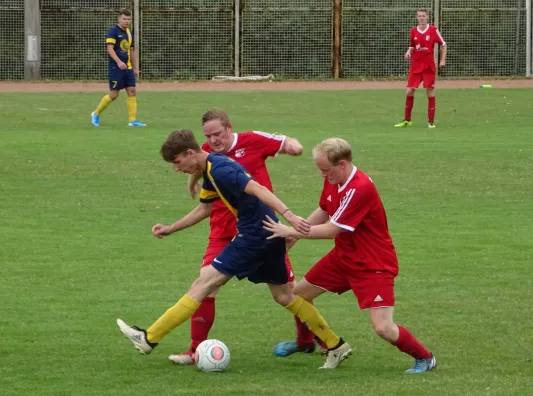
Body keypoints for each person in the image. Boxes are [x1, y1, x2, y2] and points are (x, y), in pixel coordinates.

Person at [116, 129, 352, 370]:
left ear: (190, 153)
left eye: (177, 162)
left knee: (204, 283)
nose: (176, 168)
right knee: (284, 296)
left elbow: (259, 189)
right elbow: (205, 209)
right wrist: (171, 228)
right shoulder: (210, 168)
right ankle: (335, 345)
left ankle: (148, 338)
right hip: (268, 234)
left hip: (254, 236)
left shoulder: (220, 169)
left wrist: (290, 216)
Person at [263, 137, 437, 374]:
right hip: (344, 257)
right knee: (299, 295)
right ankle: (306, 343)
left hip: (373, 263)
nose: (323, 175)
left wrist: (292, 230)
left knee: (383, 327)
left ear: (342, 164)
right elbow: (324, 209)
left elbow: (333, 230)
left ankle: (425, 358)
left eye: (326, 170)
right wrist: (295, 235)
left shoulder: (360, 188)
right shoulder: (334, 179)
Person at [162, 109, 317, 364]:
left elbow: (285, 143)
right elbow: (198, 164)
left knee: (287, 292)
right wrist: (191, 182)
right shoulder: (203, 151)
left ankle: (309, 341)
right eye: (208, 136)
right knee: (204, 286)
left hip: (261, 230)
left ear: (229, 128)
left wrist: (293, 146)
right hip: (223, 231)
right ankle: (195, 350)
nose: (213, 141)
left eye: (217, 134)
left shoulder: (253, 140)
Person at [91, 9, 146, 128]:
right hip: (116, 68)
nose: (126, 21)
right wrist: (119, 62)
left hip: (128, 68)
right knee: (114, 94)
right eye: (124, 19)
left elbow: (131, 51)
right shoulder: (113, 31)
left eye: (128, 19)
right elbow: (109, 49)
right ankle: (96, 113)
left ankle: (133, 120)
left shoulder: (129, 33)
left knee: (132, 91)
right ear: (119, 19)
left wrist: (135, 68)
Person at [395, 8, 447, 129]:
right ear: (417, 17)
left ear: (427, 17)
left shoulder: (433, 30)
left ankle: (431, 122)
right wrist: (409, 51)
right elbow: (412, 45)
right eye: (419, 16)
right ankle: (407, 120)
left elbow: (444, 45)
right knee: (409, 91)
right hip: (416, 66)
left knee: (430, 91)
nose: (421, 18)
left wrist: (442, 60)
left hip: (428, 67)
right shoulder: (413, 31)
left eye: (423, 16)